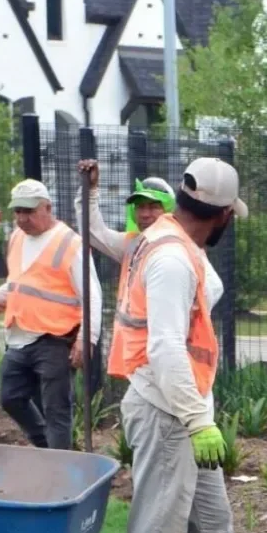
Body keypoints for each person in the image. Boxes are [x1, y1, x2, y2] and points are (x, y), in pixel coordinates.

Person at [112, 156, 267, 533]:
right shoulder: (174, 258)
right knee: (159, 529)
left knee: (213, 525)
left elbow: (206, 295)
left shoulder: (174, 245)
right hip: (167, 412)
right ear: (222, 215)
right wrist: (200, 421)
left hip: (183, 409)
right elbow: (166, 349)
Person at [0, 177, 102, 451]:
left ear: (47, 207)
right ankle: (45, 447)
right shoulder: (16, 238)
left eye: (28, 211)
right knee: (10, 397)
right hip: (19, 337)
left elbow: (92, 294)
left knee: (56, 411)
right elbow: (18, 286)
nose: (22, 218)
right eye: (18, 212)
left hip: (55, 340)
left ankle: (59, 471)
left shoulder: (69, 243)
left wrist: (87, 337)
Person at [79, 159, 176, 379]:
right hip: (140, 359)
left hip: (169, 356)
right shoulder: (132, 245)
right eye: (140, 207)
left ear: (168, 209)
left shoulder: (180, 247)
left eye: (153, 206)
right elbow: (93, 232)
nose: (145, 213)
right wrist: (90, 190)